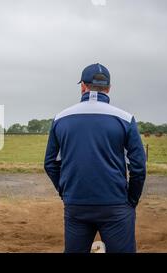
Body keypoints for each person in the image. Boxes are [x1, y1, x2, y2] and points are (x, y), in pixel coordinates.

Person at [44, 63, 147, 253]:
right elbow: (138, 166)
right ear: (108, 88)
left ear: (83, 86)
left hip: (76, 204)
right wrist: (131, 199)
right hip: (116, 204)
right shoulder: (125, 118)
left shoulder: (60, 118)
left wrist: (66, 192)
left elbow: (50, 163)